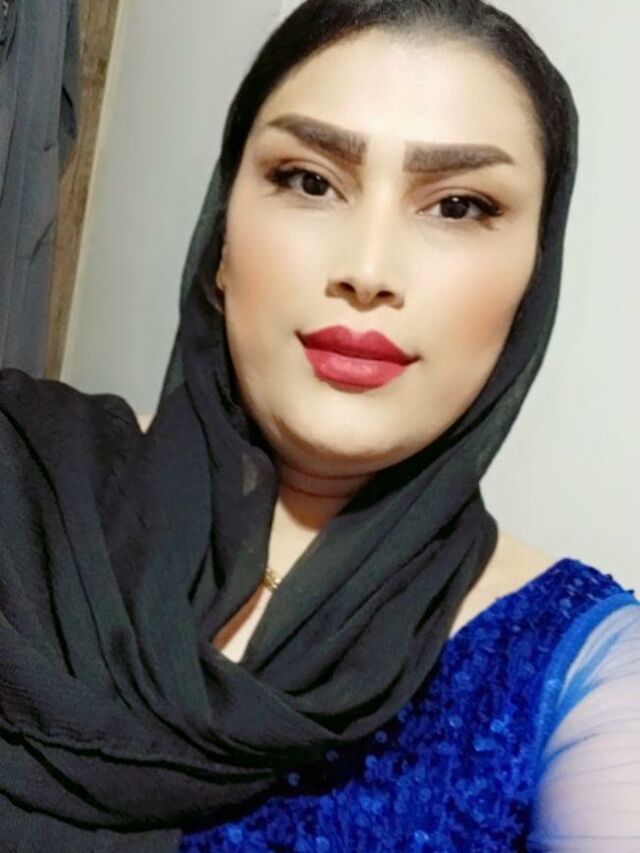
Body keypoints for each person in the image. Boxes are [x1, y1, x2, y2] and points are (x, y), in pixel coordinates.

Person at [0, 1, 638, 851]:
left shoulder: (578, 671)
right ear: (223, 239)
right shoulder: (22, 475)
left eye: (458, 205)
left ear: (533, 281)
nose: (368, 270)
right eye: (308, 181)